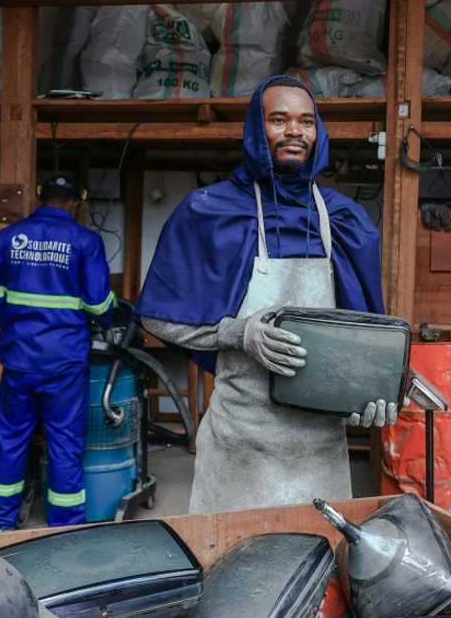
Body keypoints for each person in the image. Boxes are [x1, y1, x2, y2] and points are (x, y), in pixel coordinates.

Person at [136, 75, 393, 514]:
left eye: (306, 122)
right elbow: (156, 319)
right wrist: (237, 334)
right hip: (240, 443)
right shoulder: (208, 212)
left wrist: (371, 392)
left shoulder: (346, 220)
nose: (295, 131)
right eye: (279, 119)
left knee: (315, 570)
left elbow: (365, 336)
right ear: (256, 130)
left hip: (319, 449)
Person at [0, 175, 115, 531]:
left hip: (19, 359)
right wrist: (113, 315)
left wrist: (16, 324)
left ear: (40, 197)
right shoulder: (86, 241)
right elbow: (99, 303)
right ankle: (64, 527)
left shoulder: (6, 238)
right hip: (64, 362)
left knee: (12, 438)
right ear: (76, 202)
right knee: (64, 441)